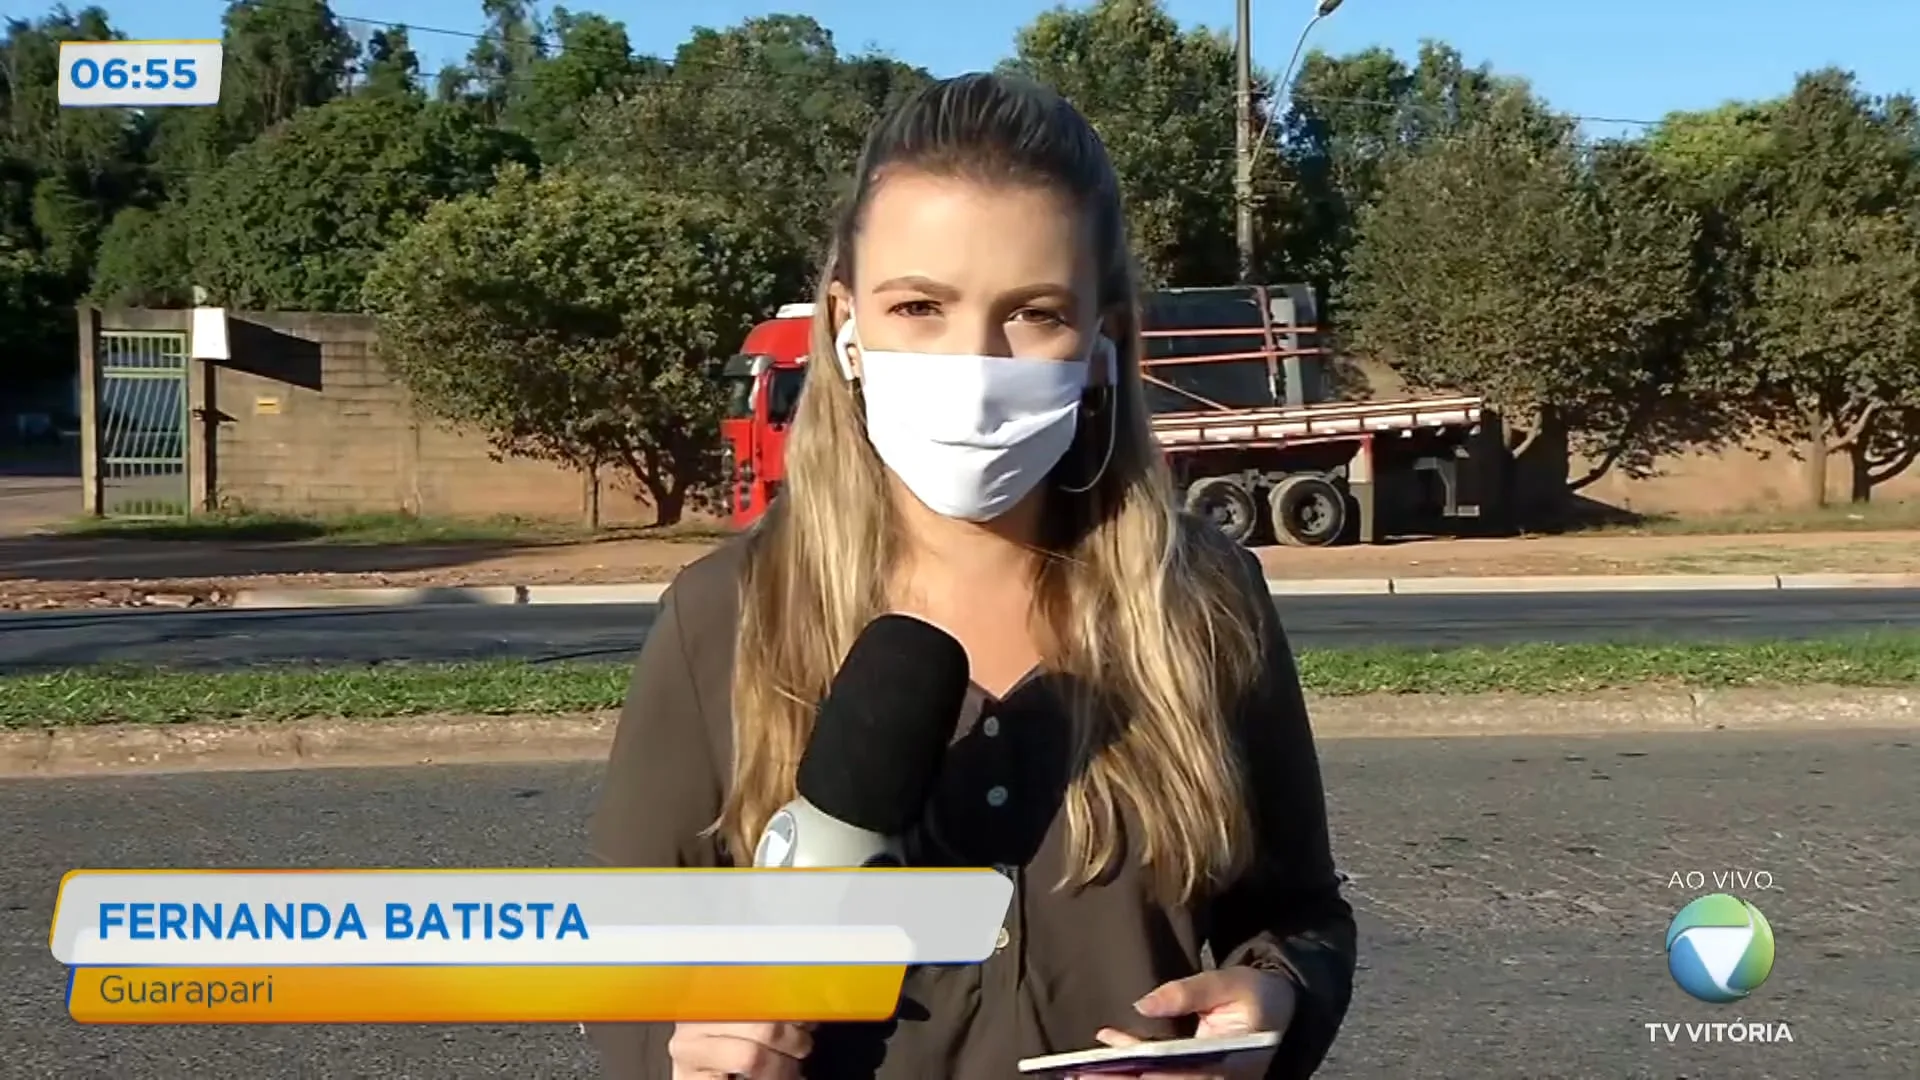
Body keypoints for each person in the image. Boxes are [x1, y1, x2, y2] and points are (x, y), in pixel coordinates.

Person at [587, 71, 1356, 1080]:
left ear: (1103, 343)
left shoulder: (1206, 603)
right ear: (846, 325)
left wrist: (1272, 1001)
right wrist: (686, 1047)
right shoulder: (721, 617)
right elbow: (628, 966)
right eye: (918, 306)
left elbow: (1298, 914)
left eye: (1033, 313)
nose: (973, 362)